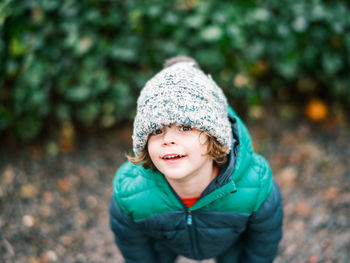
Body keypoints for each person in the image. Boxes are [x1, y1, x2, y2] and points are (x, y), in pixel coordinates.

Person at [109, 56, 283, 263]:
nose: (168, 140)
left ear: (214, 137)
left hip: (231, 241)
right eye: (156, 130)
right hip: (164, 239)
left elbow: (262, 245)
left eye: (184, 127)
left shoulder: (256, 187)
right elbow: (134, 248)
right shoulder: (130, 194)